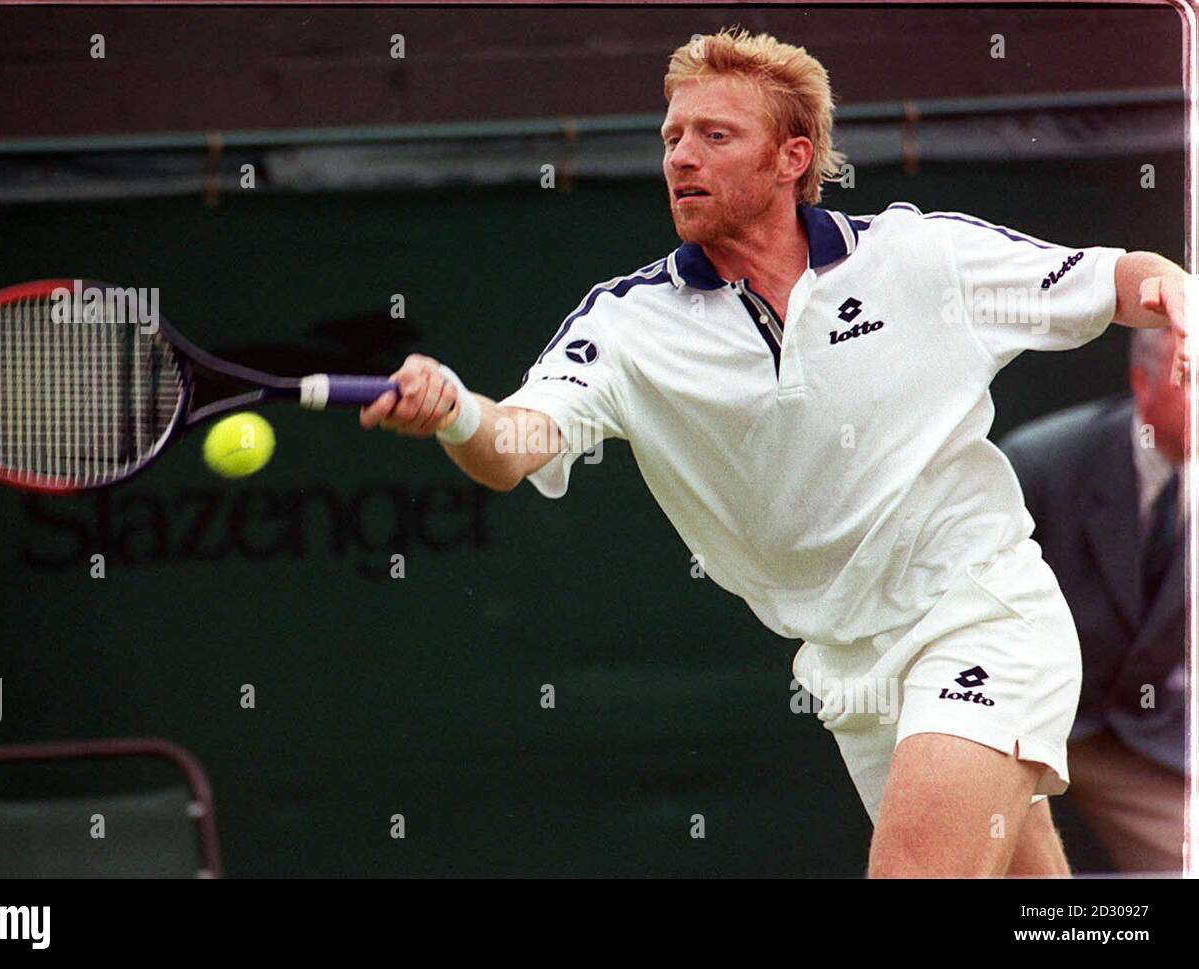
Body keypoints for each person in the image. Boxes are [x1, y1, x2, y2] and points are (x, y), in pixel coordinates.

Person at [358, 28, 1189, 877]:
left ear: (793, 157)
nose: (682, 156)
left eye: (715, 135)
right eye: (672, 137)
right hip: (852, 670)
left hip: (979, 614)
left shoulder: (917, 256)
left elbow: (1114, 280)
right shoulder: (626, 326)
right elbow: (514, 446)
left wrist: (1182, 298)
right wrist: (458, 412)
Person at [1000, 327, 1187, 874]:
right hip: (1019, 729)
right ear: (1141, 382)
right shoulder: (1038, 464)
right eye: (1192, 378)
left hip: (1153, 732)